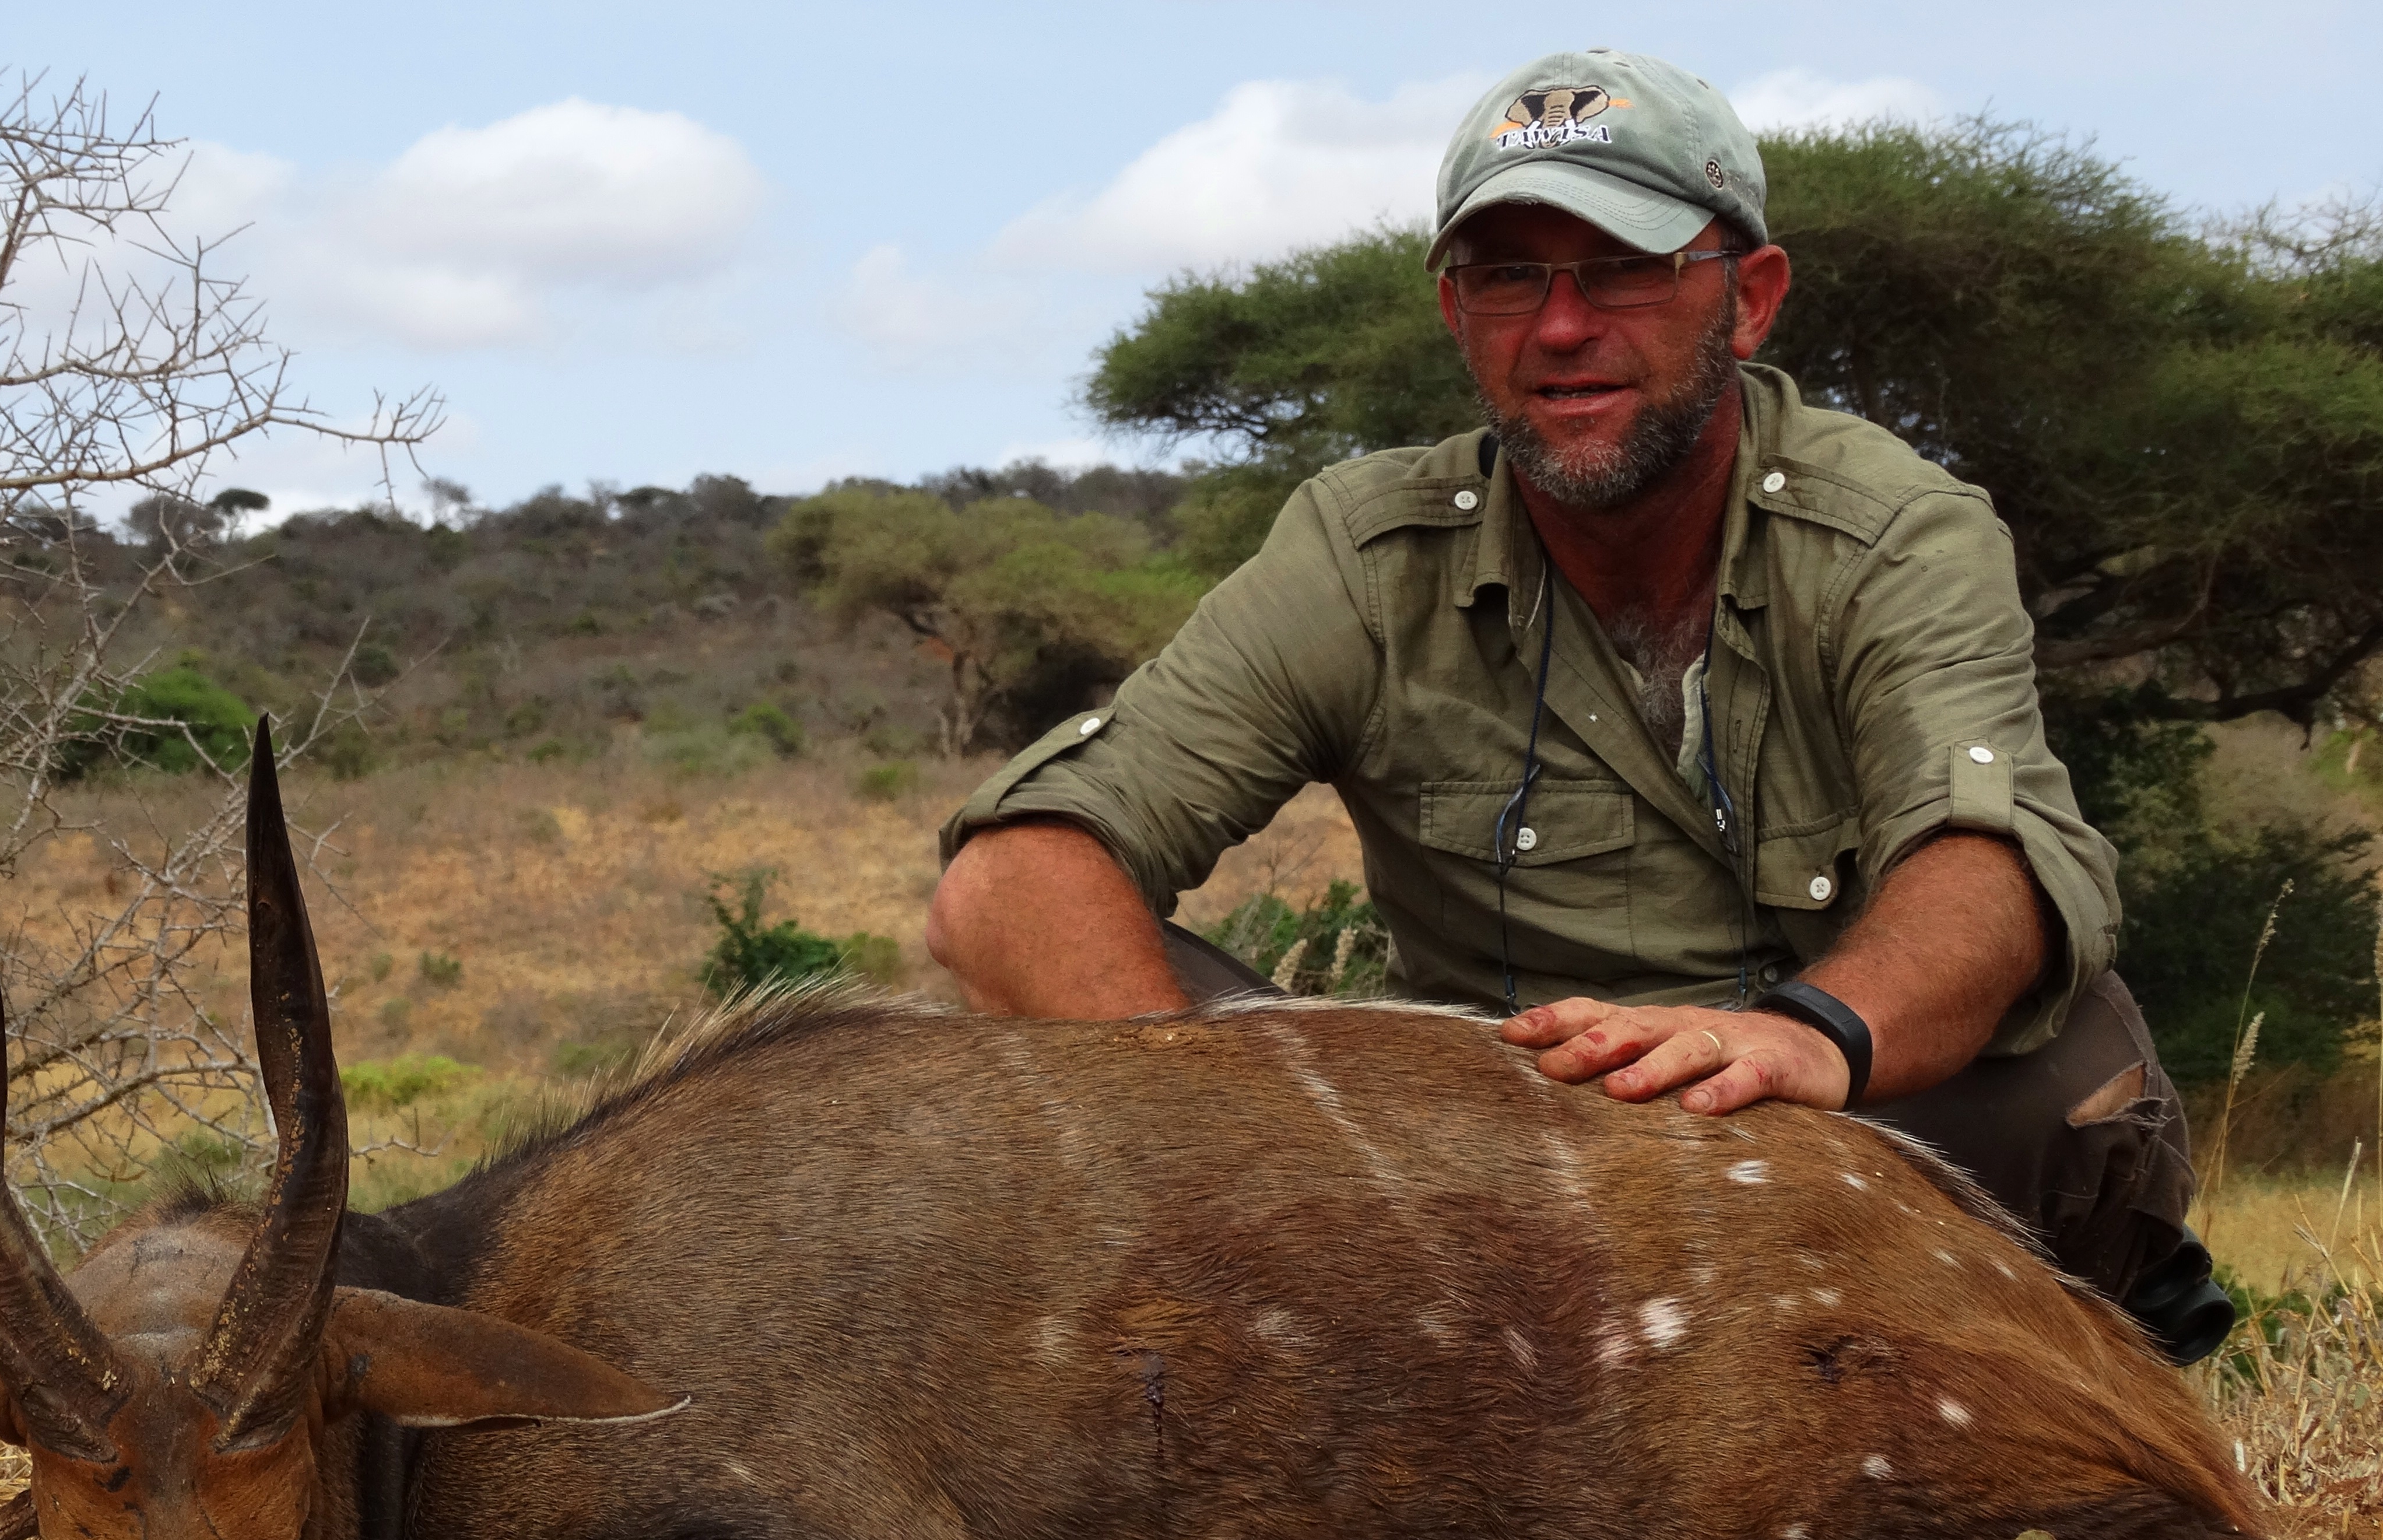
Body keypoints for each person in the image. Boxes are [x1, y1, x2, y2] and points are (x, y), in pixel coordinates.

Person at [924, 48, 2235, 1363]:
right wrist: (1208, 1156)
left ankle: (2050, 1373)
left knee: (2055, 1077)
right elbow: (1017, 876)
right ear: (1456, 311)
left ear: (1750, 298)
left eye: (1623, 265)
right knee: (1062, 1038)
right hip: (1513, 1182)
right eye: (1509, 276)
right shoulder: (1361, 551)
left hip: (1856, 1121)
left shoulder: (1898, 532)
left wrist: (1803, 1039)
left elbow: (1990, 870)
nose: (1560, 327)